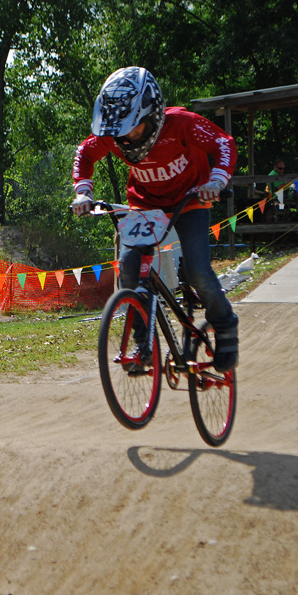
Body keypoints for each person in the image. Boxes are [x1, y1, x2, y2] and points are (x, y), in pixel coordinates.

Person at [70, 67, 239, 373]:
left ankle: (225, 324)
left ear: (153, 115)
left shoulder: (182, 124)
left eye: (133, 128)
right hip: (146, 205)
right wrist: (83, 192)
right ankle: (141, 345)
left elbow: (223, 143)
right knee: (131, 270)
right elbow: (84, 152)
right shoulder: (114, 135)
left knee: (198, 270)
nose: (125, 137)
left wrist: (216, 180)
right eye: (119, 130)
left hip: (191, 200)